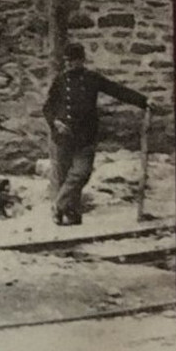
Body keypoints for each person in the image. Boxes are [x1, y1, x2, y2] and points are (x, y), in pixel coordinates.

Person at [42, 43, 149, 226]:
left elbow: (117, 90)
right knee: (64, 177)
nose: (68, 65)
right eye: (66, 61)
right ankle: (70, 216)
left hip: (85, 136)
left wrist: (144, 101)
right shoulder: (60, 81)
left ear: (81, 60)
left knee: (81, 174)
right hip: (63, 137)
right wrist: (55, 122)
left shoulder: (92, 79)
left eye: (72, 61)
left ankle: (58, 205)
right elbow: (47, 108)